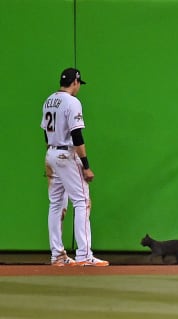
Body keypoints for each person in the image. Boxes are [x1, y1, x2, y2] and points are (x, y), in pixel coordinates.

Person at [41, 67, 109, 266]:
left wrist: (51, 156)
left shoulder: (49, 100)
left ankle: (58, 255)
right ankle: (84, 255)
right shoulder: (72, 101)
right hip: (66, 154)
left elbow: (46, 133)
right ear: (75, 82)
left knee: (55, 205)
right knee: (82, 201)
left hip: (51, 153)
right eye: (79, 83)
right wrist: (86, 166)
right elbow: (77, 135)